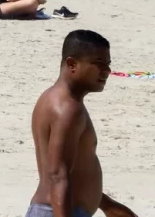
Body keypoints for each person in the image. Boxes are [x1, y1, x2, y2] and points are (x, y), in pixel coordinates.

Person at [26, 30, 137, 217]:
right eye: (98, 64)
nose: (107, 71)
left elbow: (73, 169)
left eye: (108, 64)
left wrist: (105, 203)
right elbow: (57, 175)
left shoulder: (52, 98)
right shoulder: (68, 109)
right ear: (72, 64)